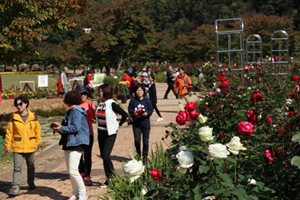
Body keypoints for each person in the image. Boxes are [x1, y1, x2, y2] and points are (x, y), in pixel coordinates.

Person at [52, 91, 90, 200]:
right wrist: (60, 126)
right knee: (70, 171)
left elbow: (75, 127)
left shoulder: (76, 111)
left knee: (73, 170)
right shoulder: (70, 111)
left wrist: (61, 129)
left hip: (76, 142)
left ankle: (83, 193)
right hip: (68, 142)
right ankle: (75, 192)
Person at [5, 96, 42, 197]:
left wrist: (37, 143)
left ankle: (31, 182)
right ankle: (15, 187)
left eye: (20, 104)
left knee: (31, 166)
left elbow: (37, 130)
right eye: (16, 105)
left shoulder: (33, 116)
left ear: (26, 104)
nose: (18, 106)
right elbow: (9, 132)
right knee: (17, 168)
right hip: (18, 147)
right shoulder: (14, 117)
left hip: (30, 146)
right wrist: (8, 144)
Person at [96, 84, 127, 187]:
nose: (99, 93)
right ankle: (109, 179)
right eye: (99, 91)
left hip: (110, 134)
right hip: (100, 133)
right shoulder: (100, 103)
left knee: (106, 155)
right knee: (104, 158)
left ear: (106, 92)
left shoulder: (111, 104)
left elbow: (125, 115)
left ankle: (113, 178)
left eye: (101, 91)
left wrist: (118, 125)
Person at [75, 85, 96, 186]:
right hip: (77, 135)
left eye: (84, 94)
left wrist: (92, 108)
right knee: (78, 155)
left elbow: (93, 120)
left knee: (87, 155)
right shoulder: (73, 105)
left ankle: (87, 175)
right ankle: (81, 172)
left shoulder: (89, 104)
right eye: (81, 94)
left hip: (88, 134)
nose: (83, 96)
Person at [128, 84, 153, 162]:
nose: (139, 92)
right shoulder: (133, 100)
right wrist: (133, 112)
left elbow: (151, 110)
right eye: (137, 90)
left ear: (144, 91)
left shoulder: (147, 101)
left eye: (140, 90)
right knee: (137, 140)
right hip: (136, 124)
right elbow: (130, 109)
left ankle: (145, 157)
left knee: (146, 141)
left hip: (145, 123)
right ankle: (138, 155)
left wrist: (147, 113)